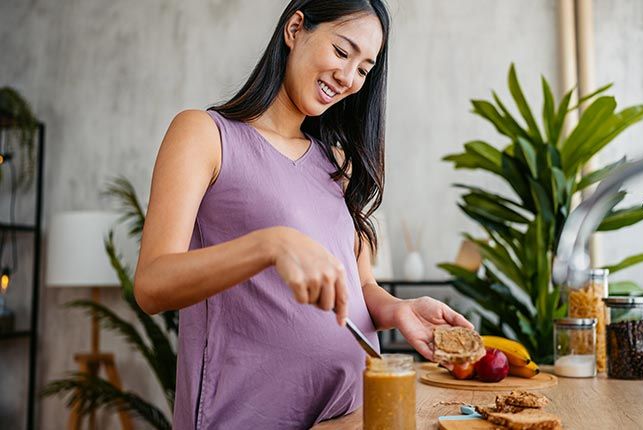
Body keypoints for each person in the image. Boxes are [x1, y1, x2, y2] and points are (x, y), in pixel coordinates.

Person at [134, 0, 473, 428]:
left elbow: (359, 284)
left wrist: (396, 310)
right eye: (342, 51)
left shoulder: (336, 163)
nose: (349, 78)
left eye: (365, 69)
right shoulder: (205, 135)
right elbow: (151, 283)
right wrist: (270, 244)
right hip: (246, 417)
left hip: (349, 413)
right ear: (295, 29)